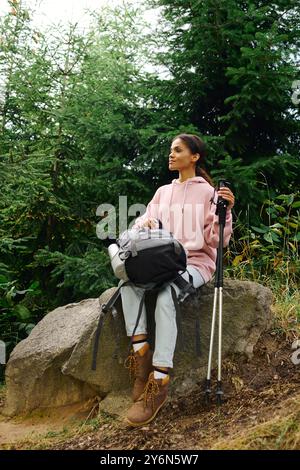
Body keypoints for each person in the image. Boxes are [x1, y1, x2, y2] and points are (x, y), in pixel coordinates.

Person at [121, 133, 235, 427]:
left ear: (194, 157)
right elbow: (144, 223)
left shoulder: (209, 193)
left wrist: (226, 212)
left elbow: (217, 241)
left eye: (177, 150)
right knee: (128, 285)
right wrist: (144, 222)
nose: (171, 155)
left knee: (165, 296)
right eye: (170, 150)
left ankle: (159, 382)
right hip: (163, 261)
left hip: (196, 262)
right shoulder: (162, 192)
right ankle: (142, 353)